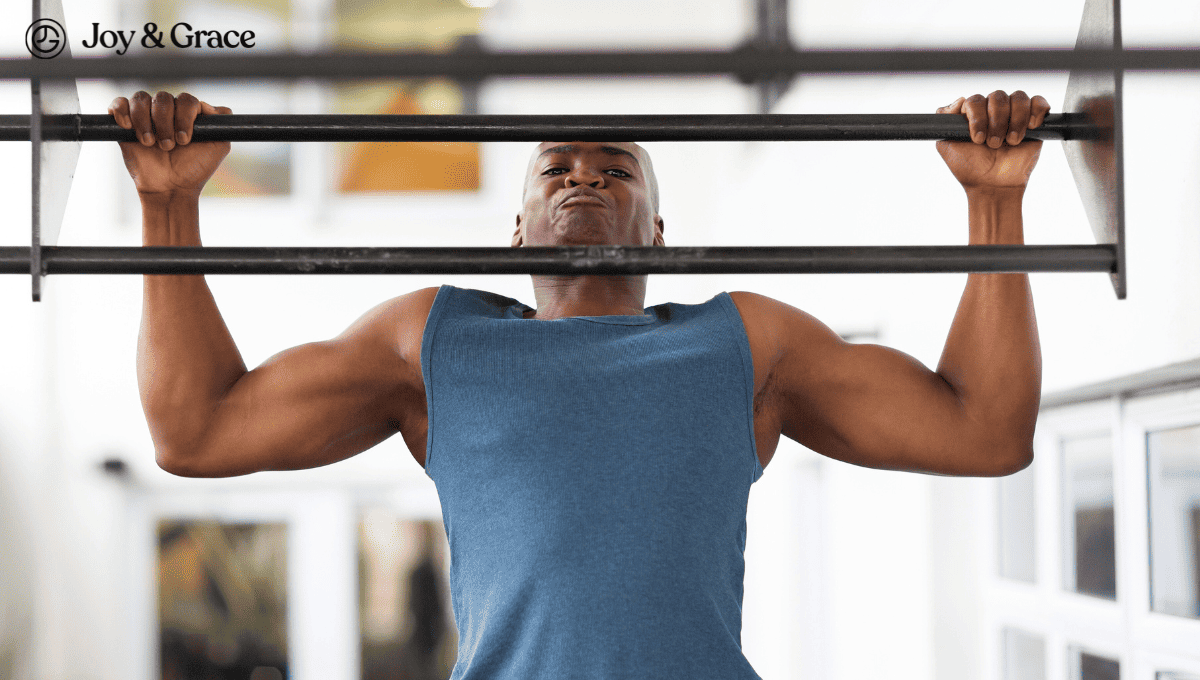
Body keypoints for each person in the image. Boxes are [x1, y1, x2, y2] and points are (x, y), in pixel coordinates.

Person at [110, 89, 1049, 679]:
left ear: (658, 233)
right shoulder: (433, 341)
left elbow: (985, 431)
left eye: (615, 167)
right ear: (515, 230)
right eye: (553, 166)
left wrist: (995, 201)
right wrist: (168, 206)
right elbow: (196, 432)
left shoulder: (743, 344)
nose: (581, 177)